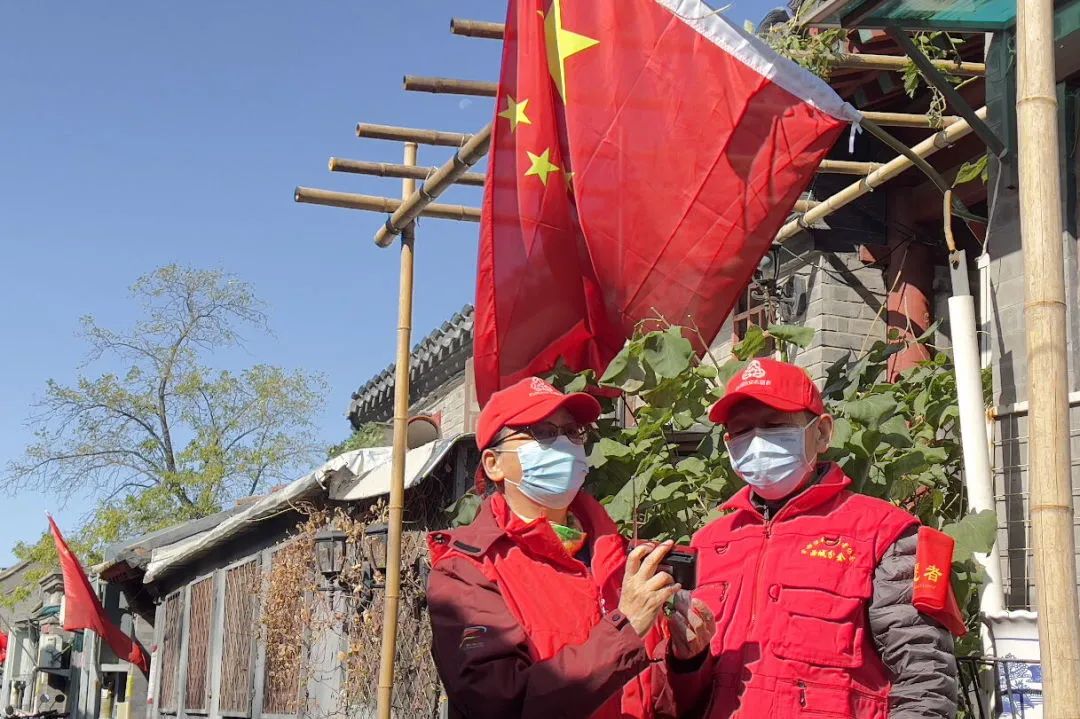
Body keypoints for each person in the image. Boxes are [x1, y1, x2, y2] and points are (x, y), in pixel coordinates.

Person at [426, 377, 717, 719]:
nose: (564, 443)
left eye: (572, 432)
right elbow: (500, 705)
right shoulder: (466, 571)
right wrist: (624, 630)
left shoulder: (620, 558)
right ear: (494, 463)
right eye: (542, 432)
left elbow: (660, 702)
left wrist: (688, 662)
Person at [692, 358, 959, 718]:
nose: (756, 441)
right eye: (741, 431)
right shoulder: (708, 543)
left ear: (822, 433)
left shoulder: (885, 533)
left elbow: (924, 678)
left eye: (774, 425)